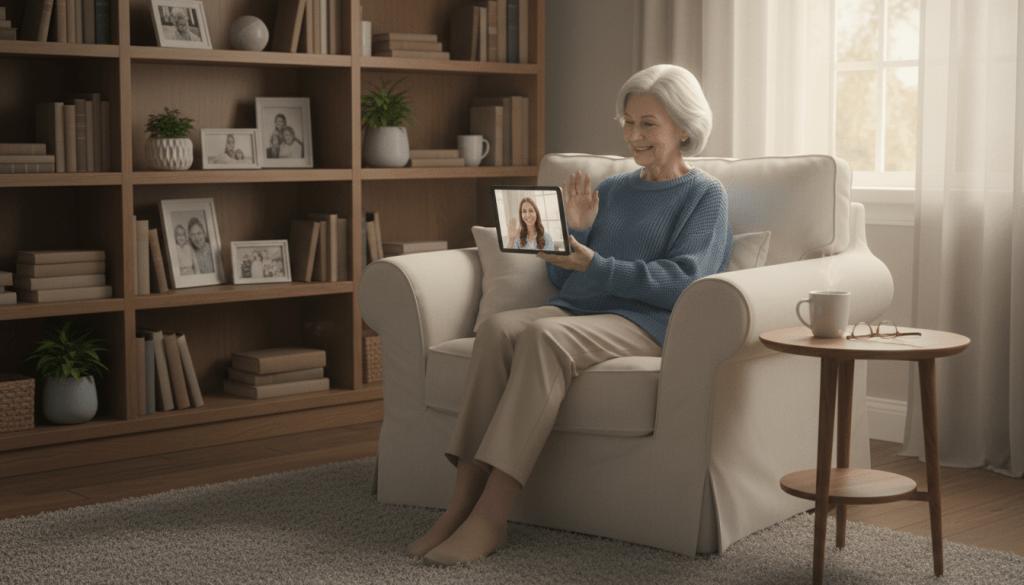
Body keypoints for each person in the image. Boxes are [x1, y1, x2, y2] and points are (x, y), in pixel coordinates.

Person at [406, 64, 733, 567]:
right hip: (580, 312)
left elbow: (684, 283)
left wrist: (594, 262)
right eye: (628, 121)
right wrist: (570, 242)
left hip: (647, 323)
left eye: (649, 123)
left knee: (545, 339)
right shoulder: (615, 189)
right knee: (496, 329)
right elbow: (571, 282)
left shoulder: (704, 196)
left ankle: (491, 518)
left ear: (684, 127)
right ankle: (459, 506)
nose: (634, 135)